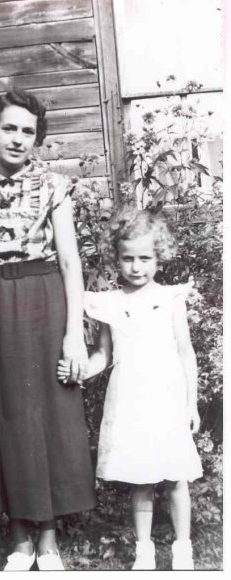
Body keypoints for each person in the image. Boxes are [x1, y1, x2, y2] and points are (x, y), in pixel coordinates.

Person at [0, 88, 95, 571]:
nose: (17, 139)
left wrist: (74, 334)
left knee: (44, 412)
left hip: (42, 299)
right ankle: (19, 539)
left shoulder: (55, 187)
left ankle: (48, 538)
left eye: (28, 131)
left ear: (37, 139)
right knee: (0, 415)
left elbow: (70, 263)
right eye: (9, 128)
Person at [58, 208, 203, 570]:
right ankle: (144, 550)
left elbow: (186, 353)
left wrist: (191, 404)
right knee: (140, 479)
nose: (136, 267)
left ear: (159, 256)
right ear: (116, 258)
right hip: (130, 400)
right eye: (128, 259)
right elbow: (103, 355)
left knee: (175, 477)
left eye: (145, 258)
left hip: (167, 398)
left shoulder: (171, 298)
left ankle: (183, 549)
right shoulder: (110, 303)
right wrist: (81, 371)